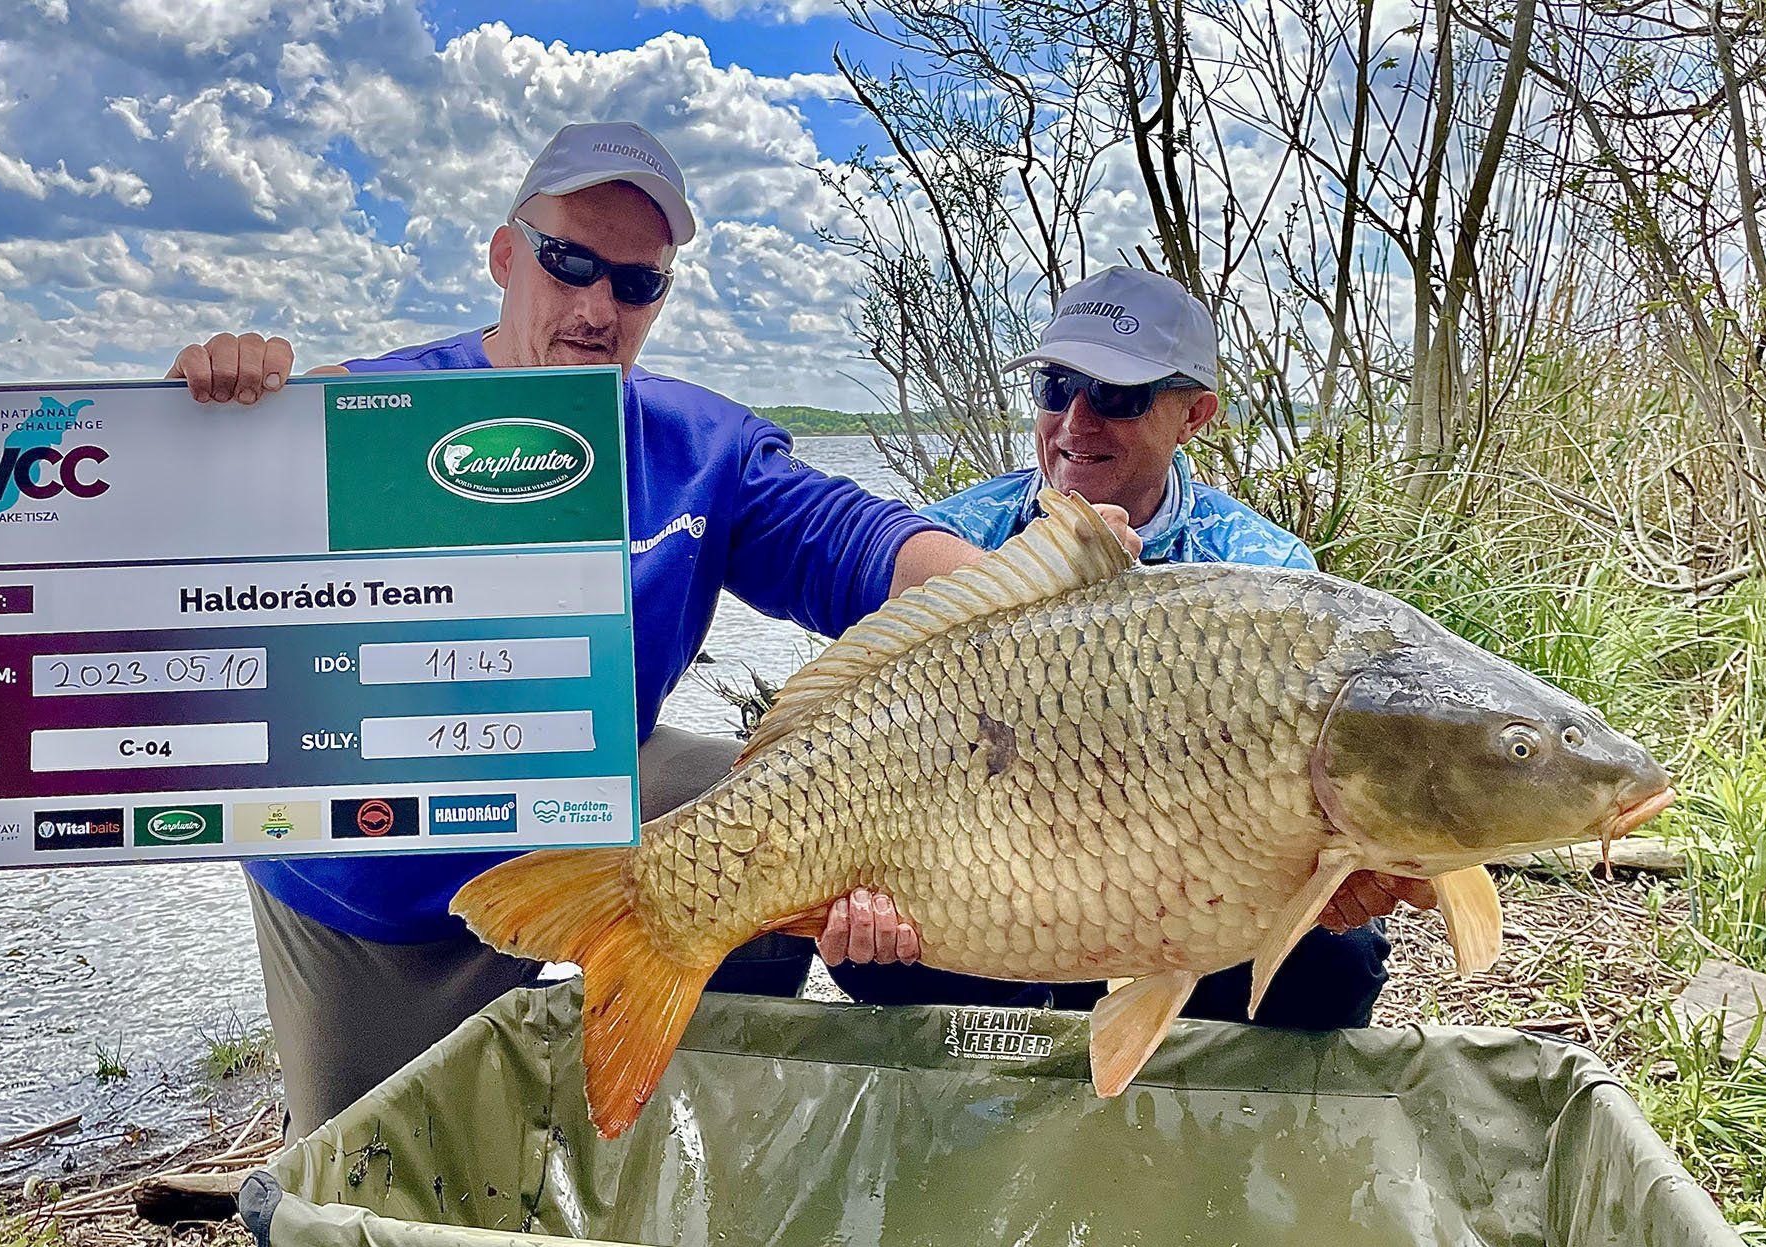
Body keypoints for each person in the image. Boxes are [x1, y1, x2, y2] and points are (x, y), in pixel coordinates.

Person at [166, 122, 1128, 1138]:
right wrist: (215, 428)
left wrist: (1034, 590)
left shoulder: (698, 448)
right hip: (374, 879)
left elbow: (859, 542)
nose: (597, 308)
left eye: (635, 283)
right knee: (368, 1194)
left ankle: (674, 1128)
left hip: (589, 786)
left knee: (758, 810)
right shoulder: (367, 412)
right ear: (505, 256)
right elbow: (179, 568)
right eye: (568, 263)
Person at [818, 266, 1438, 1028]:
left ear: (1194, 415)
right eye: (1057, 387)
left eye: (1117, 397)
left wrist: (1334, 870)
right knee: (866, 955)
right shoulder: (947, 542)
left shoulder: (1262, 571)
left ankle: (1198, 1105)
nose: (1077, 421)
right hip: (981, 871)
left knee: (1333, 966)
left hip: (1189, 882)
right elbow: (847, 720)